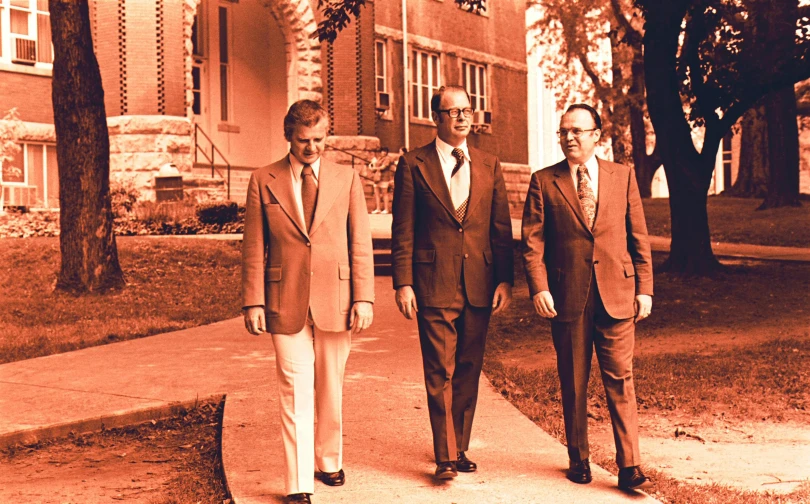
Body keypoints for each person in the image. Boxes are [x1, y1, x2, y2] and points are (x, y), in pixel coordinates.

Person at [241, 99, 375, 504]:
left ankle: (329, 460)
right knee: (294, 387)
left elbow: (361, 243)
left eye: (319, 139)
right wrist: (253, 302)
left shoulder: (347, 178)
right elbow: (253, 246)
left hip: (338, 296)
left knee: (330, 387)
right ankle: (298, 483)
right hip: (284, 300)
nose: (312, 147)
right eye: (304, 140)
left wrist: (364, 298)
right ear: (288, 137)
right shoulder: (263, 179)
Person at [521, 103, 654, 491]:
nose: (569, 138)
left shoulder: (622, 176)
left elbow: (639, 236)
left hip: (617, 293)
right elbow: (532, 243)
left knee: (621, 378)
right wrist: (539, 286)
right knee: (574, 380)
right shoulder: (544, 181)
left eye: (578, 131)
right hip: (567, 296)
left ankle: (629, 465)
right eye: (564, 131)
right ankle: (578, 458)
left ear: (597, 135)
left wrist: (645, 288)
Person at [391, 85, 514, 480]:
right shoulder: (414, 164)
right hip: (433, 281)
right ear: (436, 118)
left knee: (468, 367)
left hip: (479, 281)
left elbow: (500, 228)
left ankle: (459, 446)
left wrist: (505, 280)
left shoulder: (489, 164)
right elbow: (403, 228)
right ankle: (444, 456)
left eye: (467, 109)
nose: (463, 117)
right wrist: (403, 282)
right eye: (453, 111)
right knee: (439, 370)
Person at [370, 147, 395, 214]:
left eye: (385, 151)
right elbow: (375, 165)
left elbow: (384, 167)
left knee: (384, 193)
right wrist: (372, 165)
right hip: (377, 178)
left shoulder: (387, 158)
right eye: (382, 151)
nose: (383, 152)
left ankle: (386, 209)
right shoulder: (379, 158)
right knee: (377, 193)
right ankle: (378, 208)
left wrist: (375, 167)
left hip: (384, 177)